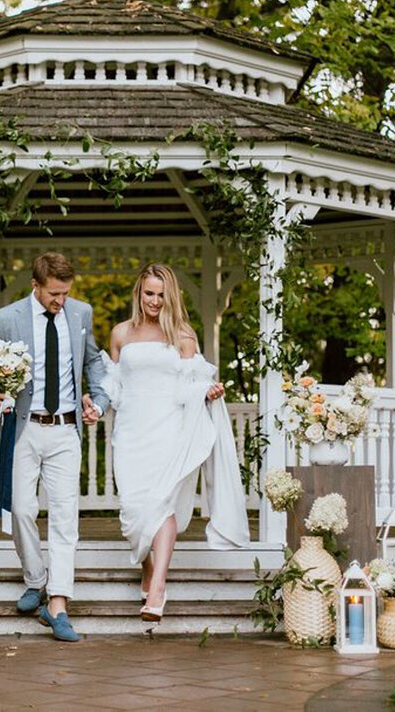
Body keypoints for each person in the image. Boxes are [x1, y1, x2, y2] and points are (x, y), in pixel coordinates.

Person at [104, 263, 250, 630]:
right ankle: (148, 567)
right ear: (139, 293)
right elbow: (113, 388)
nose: (154, 301)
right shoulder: (120, 334)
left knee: (163, 502)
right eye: (148, 293)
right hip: (132, 432)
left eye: (160, 294)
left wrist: (206, 389)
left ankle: (157, 587)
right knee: (134, 510)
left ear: (171, 296)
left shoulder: (183, 336)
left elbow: (187, 386)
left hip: (169, 429)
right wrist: (96, 402)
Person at [0, 252, 109, 642]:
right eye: (55, 294)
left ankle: (58, 603)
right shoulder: (7, 319)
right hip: (25, 427)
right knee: (22, 510)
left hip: (65, 429)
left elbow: (93, 364)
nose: (61, 300)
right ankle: (35, 580)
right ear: (35, 286)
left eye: (66, 293)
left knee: (64, 517)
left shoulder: (81, 314)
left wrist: (97, 400)